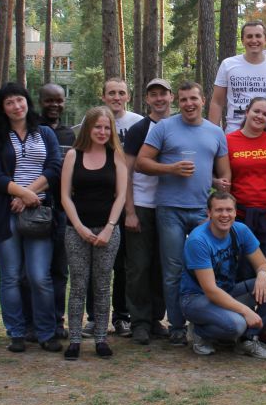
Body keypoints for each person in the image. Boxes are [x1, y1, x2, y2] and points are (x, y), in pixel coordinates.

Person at [136, 82, 231, 346]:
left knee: (207, 270)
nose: (189, 104)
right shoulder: (164, 127)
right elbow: (141, 163)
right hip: (170, 209)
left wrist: (218, 189)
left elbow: (225, 174)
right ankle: (176, 327)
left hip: (203, 211)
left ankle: (203, 323)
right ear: (178, 102)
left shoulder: (215, 132)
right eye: (184, 99)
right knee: (173, 271)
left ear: (203, 100)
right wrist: (171, 169)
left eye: (193, 99)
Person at [0, 83, 64, 353]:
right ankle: (16, 332)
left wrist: (27, 194)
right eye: (9, 103)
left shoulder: (45, 133)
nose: (16, 106)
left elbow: (54, 168)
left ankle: (46, 332)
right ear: (2, 109)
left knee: (39, 276)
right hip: (5, 213)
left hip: (39, 214)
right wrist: (20, 193)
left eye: (20, 100)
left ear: (27, 102)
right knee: (11, 277)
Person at [180, 191, 266, 358]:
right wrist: (246, 311)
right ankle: (200, 331)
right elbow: (210, 290)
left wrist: (262, 274)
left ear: (235, 212)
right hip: (196, 298)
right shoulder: (198, 240)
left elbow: (263, 264)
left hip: (228, 290)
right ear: (209, 213)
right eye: (219, 210)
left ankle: (248, 339)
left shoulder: (240, 230)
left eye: (229, 210)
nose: (225, 215)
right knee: (237, 324)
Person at [60, 106, 130, 360]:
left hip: (107, 230)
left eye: (106, 127)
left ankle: (101, 338)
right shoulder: (73, 155)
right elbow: (65, 196)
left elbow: (121, 195)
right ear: (88, 128)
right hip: (77, 230)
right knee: (78, 285)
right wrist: (79, 227)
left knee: (102, 285)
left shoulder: (116, 156)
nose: (102, 132)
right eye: (97, 127)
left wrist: (110, 227)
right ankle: (75, 340)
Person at [120, 78, 174, 345]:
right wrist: (129, 211)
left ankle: (155, 318)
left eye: (163, 94)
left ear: (171, 97)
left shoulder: (178, 126)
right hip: (141, 205)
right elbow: (127, 172)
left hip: (169, 206)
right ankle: (139, 321)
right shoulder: (138, 129)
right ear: (147, 99)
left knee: (161, 266)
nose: (159, 99)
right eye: (153, 94)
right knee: (139, 266)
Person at [95, 78, 143, 337]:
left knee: (124, 264)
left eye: (121, 93)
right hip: (98, 198)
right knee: (95, 262)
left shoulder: (137, 123)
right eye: (111, 93)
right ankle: (94, 317)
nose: (116, 97)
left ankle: (122, 316)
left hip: (128, 200)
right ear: (103, 96)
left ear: (128, 96)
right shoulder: (93, 121)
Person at [226, 98, 266, 279]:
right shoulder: (228, 140)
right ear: (247, 112)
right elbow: (217, 174)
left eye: (265, 114)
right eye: (256, 111)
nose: (260, 116)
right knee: (243, 275)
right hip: (240, 217)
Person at [35, 83, 74, 340]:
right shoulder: (31, 131)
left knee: (60, 270)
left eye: (58, 100)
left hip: (63, 212)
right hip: (35, 207)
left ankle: (58, 321)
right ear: (40, 101)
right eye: (49, 100)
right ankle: (35, 321)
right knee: (35, 272)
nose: (54, 105)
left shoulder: (70, 135)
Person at [208, 20, 266, 134]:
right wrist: (213, 136)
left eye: (258, 36)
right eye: (249, 36)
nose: (254, 40)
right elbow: (217, 102)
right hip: (234, 133)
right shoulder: (228, 65)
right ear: (242, 40)